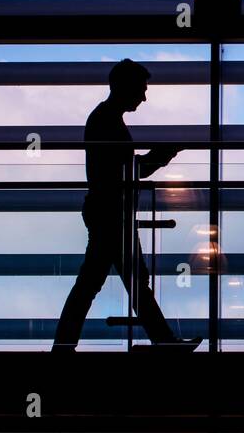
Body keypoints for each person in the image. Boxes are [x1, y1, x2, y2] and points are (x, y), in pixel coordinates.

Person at [52, 60, 202, 353]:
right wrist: (160, 156)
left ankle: (65, 346)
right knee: (123, 284)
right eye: (141, 90)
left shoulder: (104, 118)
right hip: (112, 214)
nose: (143, 97)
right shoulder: (107, 120)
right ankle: (164, 342)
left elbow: (119, 169)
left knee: (100, 283)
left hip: (107, 212)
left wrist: (156, 156)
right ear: (125, 86)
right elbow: (125, 171)